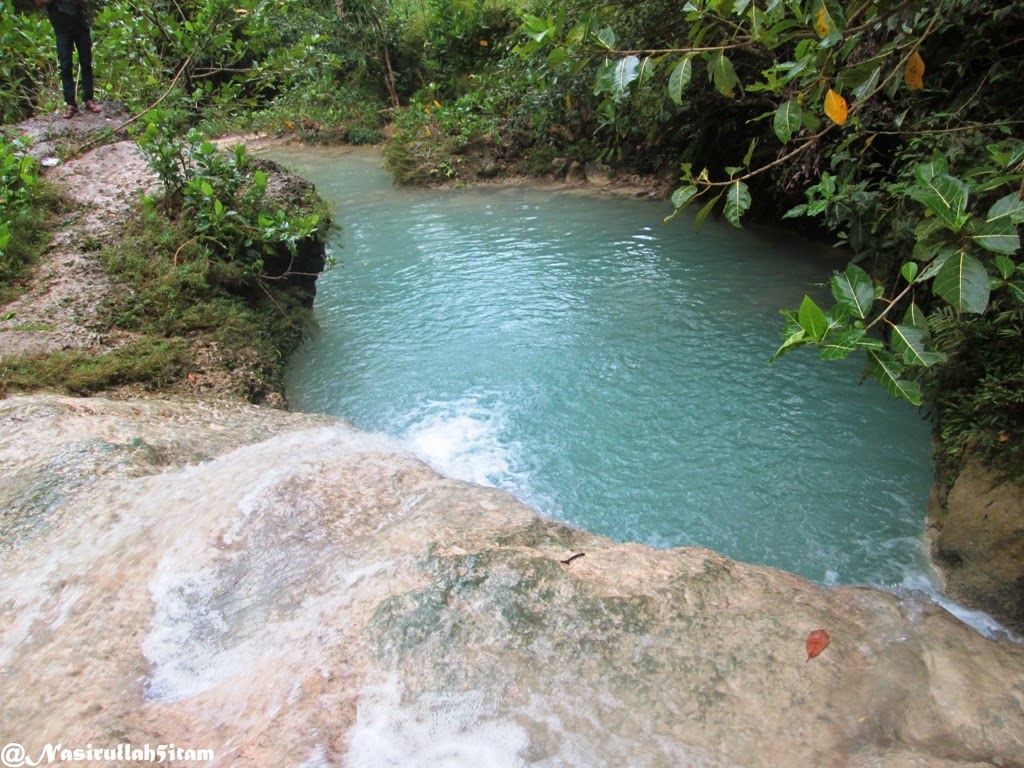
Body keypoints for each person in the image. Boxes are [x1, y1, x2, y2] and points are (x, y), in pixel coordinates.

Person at [35, 0, 101, 119]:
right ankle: (70, 103)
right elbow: (39, 2)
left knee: (86, 63)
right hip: (62, 30)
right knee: (65, 66)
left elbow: (85, 3)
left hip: (80, 26)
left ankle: (88, 99)